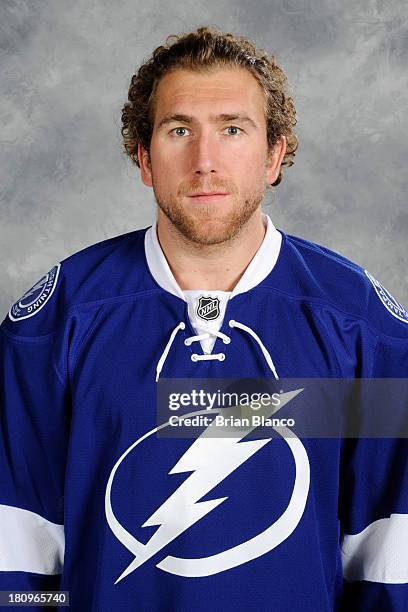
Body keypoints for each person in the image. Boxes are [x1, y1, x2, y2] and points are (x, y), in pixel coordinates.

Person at [1, 25, 407, 611]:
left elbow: (389, 553)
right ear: (144, 157)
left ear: (274, 155)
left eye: (233, 129)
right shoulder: (55, 325)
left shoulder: (363, 327)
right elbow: (17, 553)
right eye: (179, 130)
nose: (205, 161)